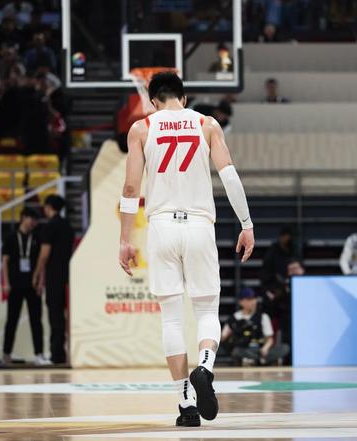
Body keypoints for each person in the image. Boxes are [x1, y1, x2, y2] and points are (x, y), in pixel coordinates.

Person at [118, 72, 254, 426]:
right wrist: (246, 224)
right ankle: (204, 368)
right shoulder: (207, 124)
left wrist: (125, 239)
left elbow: (131, 189)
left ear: (152, 101)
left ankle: (186, 404)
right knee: (207, 310)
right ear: (185, 97)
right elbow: (229, 176)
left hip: (162, 226)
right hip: (199, 224)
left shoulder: (142, 129)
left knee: (171, 317)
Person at [2, 208, 50, 367]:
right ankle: (6, 355)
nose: (33, 223)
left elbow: (42, 262)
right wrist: (6, 283)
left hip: (32, 285)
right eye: (31, 219)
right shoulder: (10, 237)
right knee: (12, 320)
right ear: (23, 217)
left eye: (35, 220)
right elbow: (5, 262)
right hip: (15, 284)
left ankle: (39, 354)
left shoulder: (37, 237)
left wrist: (41, 282)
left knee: (36, 321)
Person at [32, 195, 74, 365]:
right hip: (69, 275)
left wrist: (36, 274)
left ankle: (57, 354)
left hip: (54, 276)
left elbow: (44, 255)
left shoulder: (50, 226)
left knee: (55, 315)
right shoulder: (68, 226)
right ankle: (64, 352)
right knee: (65, 315)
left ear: (49, 207)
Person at [221, 288, 289, 367]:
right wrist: (235, 334)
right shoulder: (234, 318)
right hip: (243, 349)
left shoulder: (263, 317)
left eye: (254, 299)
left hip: (259, 349)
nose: (253, 302)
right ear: (241, 302)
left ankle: (255, 360)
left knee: (284, 348)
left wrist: (265, 348)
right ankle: (260, 360)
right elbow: (223, 338)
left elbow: (270, 339)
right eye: (249, 299)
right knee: (236, 351)